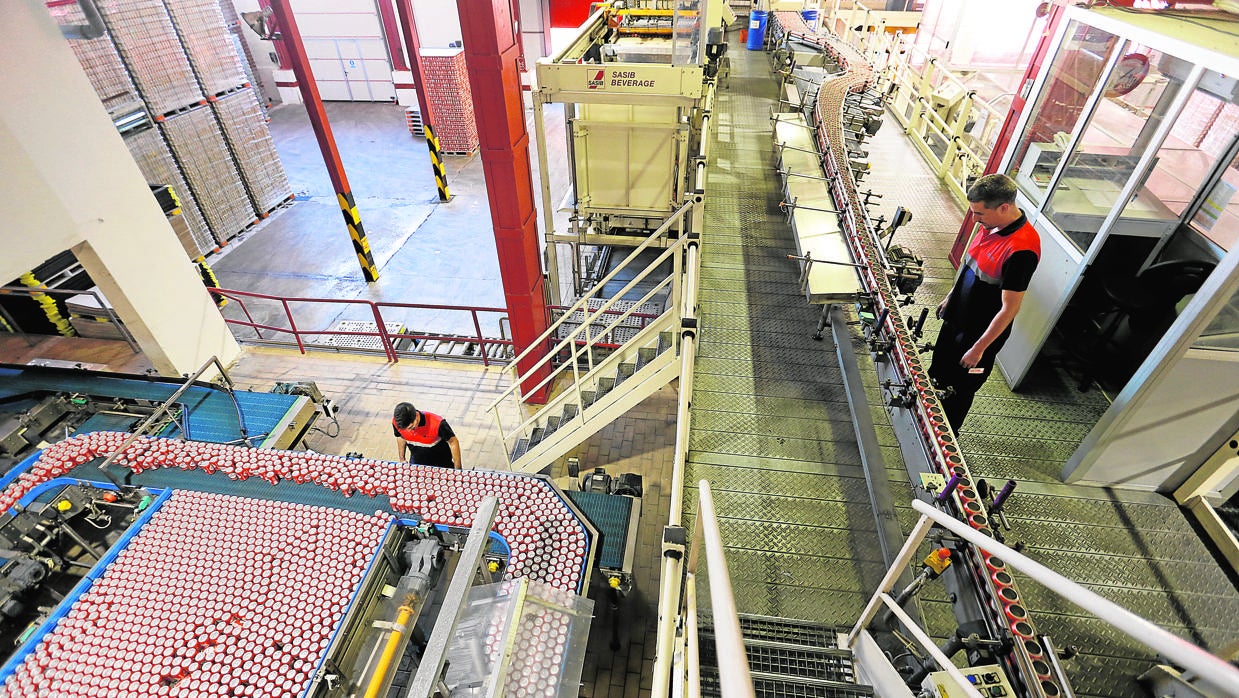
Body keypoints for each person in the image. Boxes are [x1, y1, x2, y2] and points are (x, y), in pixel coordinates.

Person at [929, 174, 1040, 430]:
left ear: (1004, 207)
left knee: (959, 389)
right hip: (958, 315)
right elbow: (972, 266)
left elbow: (1010, 308)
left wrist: (979, 349)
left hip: (979, 333)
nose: (974, 219)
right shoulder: (990, 226)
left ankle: (947, 434)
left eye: (979, 213)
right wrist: (950, 298)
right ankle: (927, 414)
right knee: (939, 369)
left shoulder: (1022, 249)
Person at [392, 402, 461, 469]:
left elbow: (453, 442)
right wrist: (402, 459)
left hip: (441, 464)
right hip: (416, 463)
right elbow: (401, 437)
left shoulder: (438, 424)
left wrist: (457, 469)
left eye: (411, 427)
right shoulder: (397, 423)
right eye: (405, 429)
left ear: (416, 415)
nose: (408, 431)